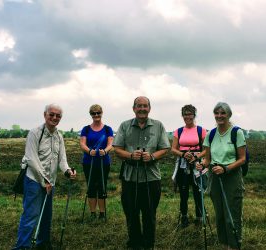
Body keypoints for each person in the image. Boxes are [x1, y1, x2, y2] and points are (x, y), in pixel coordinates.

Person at [13, 104, 76, 250]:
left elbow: (62, 159)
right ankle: (22, 246)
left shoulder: (59, 136)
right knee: (31, 215)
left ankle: (43, 243)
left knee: (46, 216)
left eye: (58, 116)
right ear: (45, 115)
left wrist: (67, 171)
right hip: (34, 181)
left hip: (50, 182)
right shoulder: (35, 133)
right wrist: (44, 180)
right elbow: (31, 159)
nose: (55, 118)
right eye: (51, 114)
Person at [113, 96, 170, 250]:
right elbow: (117, 148)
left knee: (149, 213)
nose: (142, 109)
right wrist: (131, 155)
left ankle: (148, 244)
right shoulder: (125, 126)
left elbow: (165, 149)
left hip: (151, 177)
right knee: (131, 213)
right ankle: (135, 243)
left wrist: (151, 156)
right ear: (134, 108)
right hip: (130, 176)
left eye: (145, 106)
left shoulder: (158, 126)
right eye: (139, 106)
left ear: (149, 108)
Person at [197, 102, 246, 250]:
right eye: (217, 113)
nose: (219, 116)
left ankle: (235, 245)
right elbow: (208, 159)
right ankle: (224, 245)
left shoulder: (236, 132)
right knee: (219, 216)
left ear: (228, 115)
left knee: (232, 215)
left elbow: (242, 159)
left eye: (223, 113)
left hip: (231, 176)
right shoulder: (211, 134)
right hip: (214, 177)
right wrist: (203, 165)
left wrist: (226, 169)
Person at [171, 104, 207, 228]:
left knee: (198, 191)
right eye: (185, 114)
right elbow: (173, 149)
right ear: (183, 116)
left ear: (194, 115)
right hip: (183, 164)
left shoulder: (201, 130)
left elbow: (207, 150)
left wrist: (196, 157)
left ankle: (199, 217)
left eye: (190, 114)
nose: (188, 116)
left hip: (197, 164)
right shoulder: (178, 131)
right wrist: (183, 154)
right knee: (184, 192)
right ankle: (184, 218)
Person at [79, 104, 114, 220]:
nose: (96, 115)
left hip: (104, 162)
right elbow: (82, 144)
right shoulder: (86, 129)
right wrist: (89, 151)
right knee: (91, 186)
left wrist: (105, 151)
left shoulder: (108, 129)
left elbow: (110, 144)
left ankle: (102, 213)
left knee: (102, 186)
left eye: (98, 113)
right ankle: (93, 213)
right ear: (91, 115)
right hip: (89, 161)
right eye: (93, 113)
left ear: (101, 113)